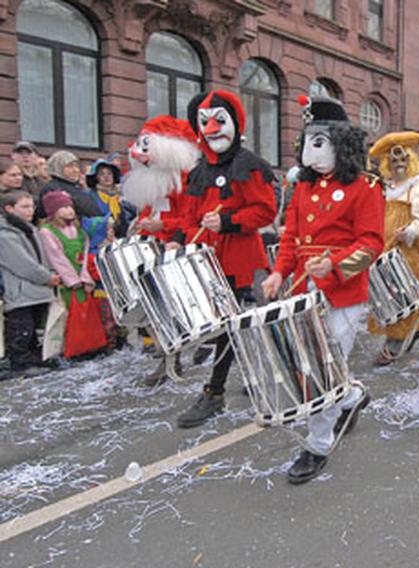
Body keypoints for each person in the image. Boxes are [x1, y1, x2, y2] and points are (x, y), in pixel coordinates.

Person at [262, 94, 381, 484]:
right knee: (308, 362)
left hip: (343, 291)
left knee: (322, 368)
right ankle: (352, 396)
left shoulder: (365, 189)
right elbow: (291, 237)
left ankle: (317, 444)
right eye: (307, 142)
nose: (308, 152)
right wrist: (279, 273)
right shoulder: (303, 190)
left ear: (340, 144)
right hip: (301, 287)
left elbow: (371, 244)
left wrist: (333, 265)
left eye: (319, 143)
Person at [172, 90, 277, 429]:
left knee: (233, 326)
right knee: (231, 326)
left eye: (220, 120)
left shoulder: (251, 166)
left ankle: (214, 392)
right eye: (205, 122)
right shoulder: (198, 171)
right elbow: (188, 214)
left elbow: (265, 211)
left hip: (242, 262)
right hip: (207, 261)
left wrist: (228, 221)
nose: (213, 128)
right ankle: (256, 375)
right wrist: (180, 240)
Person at [121, 115, 202, 385]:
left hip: (177, 249)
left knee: (178, 307)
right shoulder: (150, 179)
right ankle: (168, 356)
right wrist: (142, 227)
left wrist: (163, 225)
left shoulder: (186, 179)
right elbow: (150, 211)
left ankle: (184, 352)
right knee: (155, 306)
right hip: (153, 249)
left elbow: (193, 217)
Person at [366, 131, 419, 365]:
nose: (399, 165)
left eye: (403, 159)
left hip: (409, 252)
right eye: (394, 161)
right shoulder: (385, 187)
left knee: (402, 295)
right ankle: (408, 332)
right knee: (385, 295)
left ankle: (394, 344)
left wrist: (410, 232)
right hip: (384, 250)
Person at [0, 191, 60, 373]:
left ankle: (34, 358)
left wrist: (50, 272)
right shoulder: (5, 235)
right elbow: (22, 263)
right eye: (24, 207)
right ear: (9, 209)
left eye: (32, 206)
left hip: (35, 289)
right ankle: (21, 362)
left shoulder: (28, 229)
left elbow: (41, 256)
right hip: (20, 290)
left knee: (33, 327)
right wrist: (46, 277)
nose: (30, 210)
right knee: (21, 327)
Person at [37, 151, 102, 220]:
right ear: (58, 167)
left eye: (76, 166)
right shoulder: (52, 189)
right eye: (70, 166)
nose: (75, 170)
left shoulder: (76, 187)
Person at [86, 157, 134, 239]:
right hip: (101, 241)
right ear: (96, 178)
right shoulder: (90, 197)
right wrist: (104, 223)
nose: (106, 176)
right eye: (102, 174)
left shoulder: (123, 195)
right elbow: (86, 222)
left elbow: (132, 216)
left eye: (109, 173)